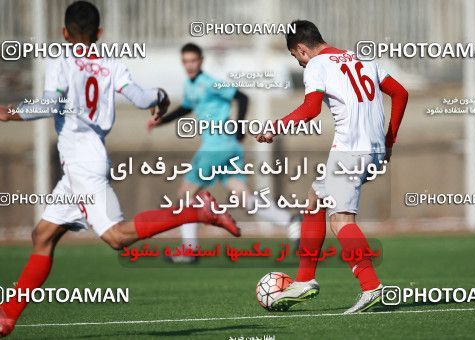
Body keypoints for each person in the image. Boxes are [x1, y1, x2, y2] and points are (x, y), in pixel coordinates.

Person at [0, 2, 240, 336]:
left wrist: (11, 112)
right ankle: (7, 315)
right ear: (99, 33)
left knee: (116, 236)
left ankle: (195, 211)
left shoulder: (61, 62)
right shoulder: (112, 64)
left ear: (64, 33)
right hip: (84, 162)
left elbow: (52, 103)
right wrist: (160, 97)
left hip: (82, 162)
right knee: (43, 235)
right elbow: (143, 99)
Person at [256, 20, 408, 313]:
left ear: (301, 49)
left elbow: (311, 109)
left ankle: (371, 287)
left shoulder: (316, 65)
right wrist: (388, 142)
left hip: (349, 152)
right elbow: (401, 93)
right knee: (315, 201)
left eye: (294, 56)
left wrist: (275, 126)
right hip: (374, 149)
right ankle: (304, 280)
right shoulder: (362, 57)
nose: (299, 62)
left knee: (341, 221)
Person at [147, 43, 301, 262]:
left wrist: (239, 127)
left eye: (193, 60)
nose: (190, 65)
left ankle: (189, 251)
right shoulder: (190, 85)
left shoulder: (210, 83)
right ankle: (292, 221)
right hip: (227, 148)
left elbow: (242, 97)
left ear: (201, 61)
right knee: (243, 198)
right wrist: (160, 121)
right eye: (186, 61)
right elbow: (187, 107)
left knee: (185, 195)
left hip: (216, 147)